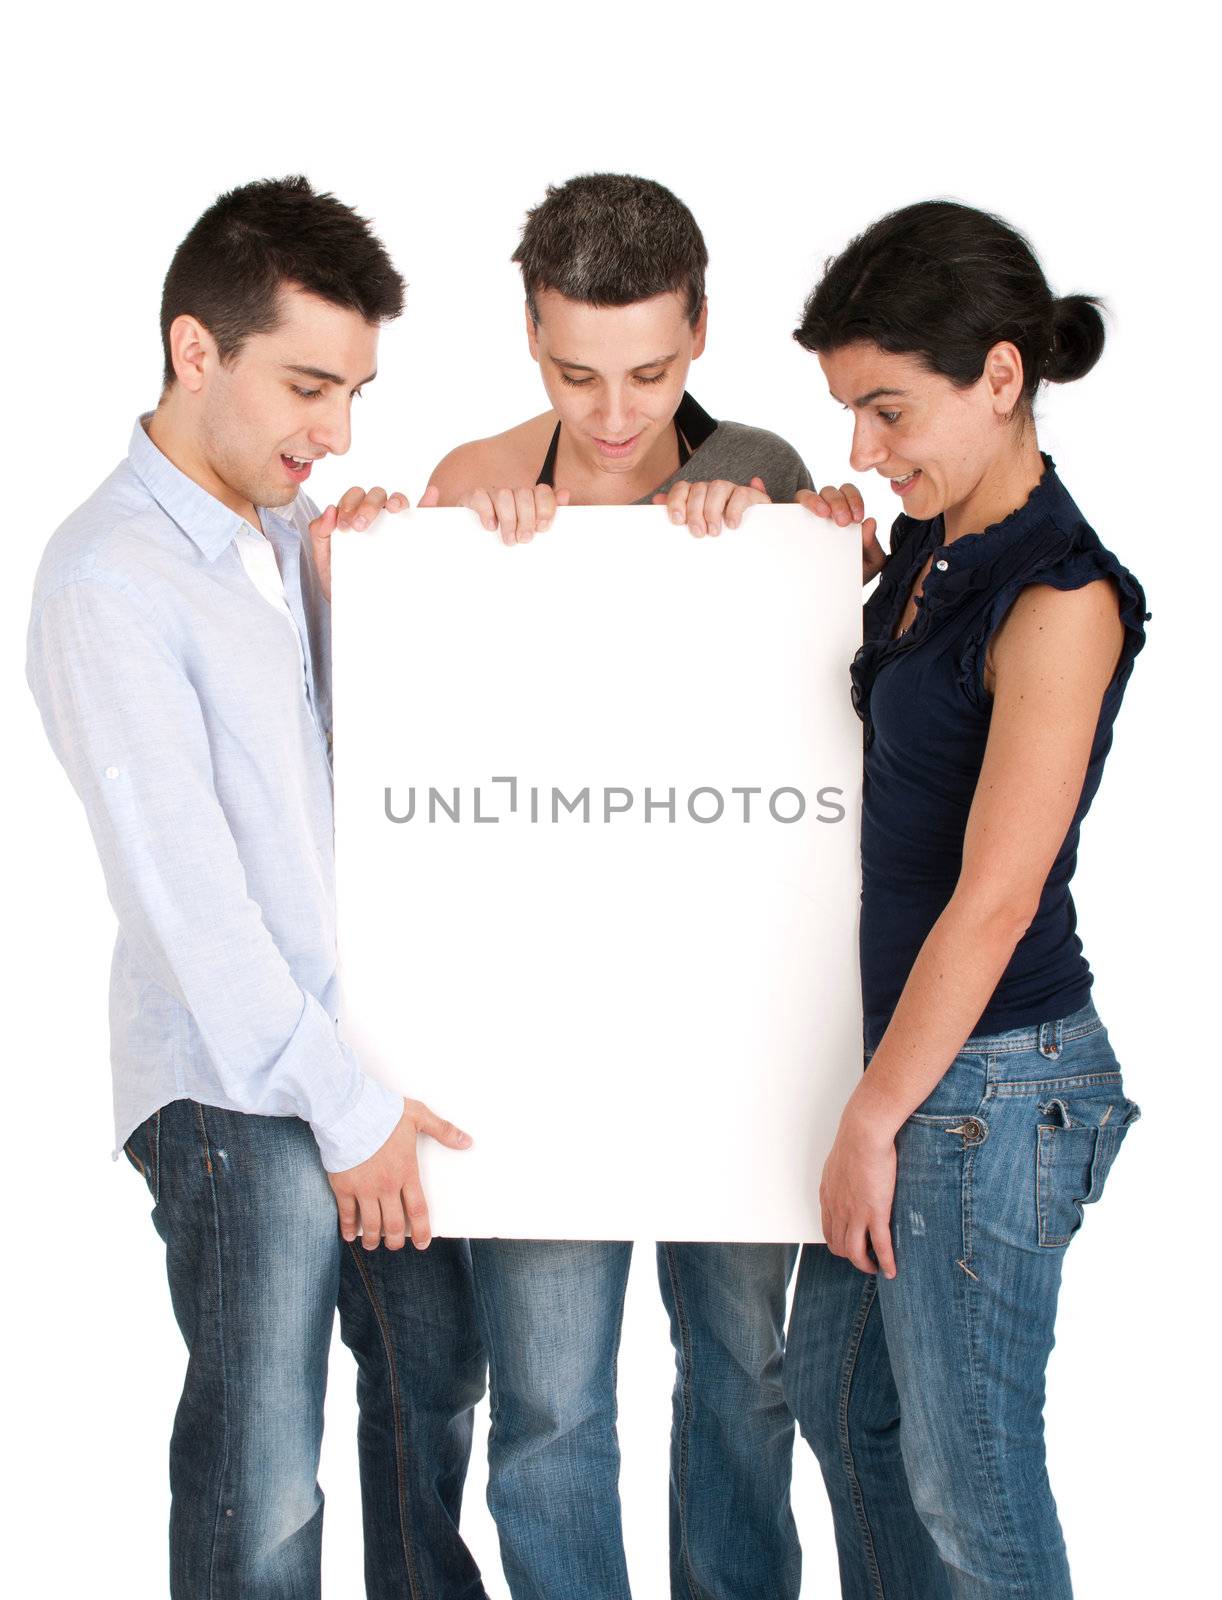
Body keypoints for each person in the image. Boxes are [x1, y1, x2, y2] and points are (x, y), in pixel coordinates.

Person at [27, 176, 488, 1600]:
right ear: (193, 350)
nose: (335, 430)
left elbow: (364, 801)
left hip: (359, 1069)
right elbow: (186, 892)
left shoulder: (293, 542)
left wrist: (374, 604)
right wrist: (345, 1113)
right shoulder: (109, 576)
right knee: (264, 1466)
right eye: (305, 384)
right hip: (236, 1092)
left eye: (352, 391)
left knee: (433, 1388)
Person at [422, 172, 852, 1600]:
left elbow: (820, 738)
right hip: (540, 1026)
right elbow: (420, 767)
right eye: (574, 373)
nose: (613, 414)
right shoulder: (471, 479)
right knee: (545, 1405)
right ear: (530, 340)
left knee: (742, 1373)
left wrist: (795, 535)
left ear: (703, 332)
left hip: (733, 1021)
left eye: (652, 372)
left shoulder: (764, 465)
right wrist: (397, 559)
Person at [782, 200, 1147, 1599]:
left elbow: (992, 900)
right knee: (835, 1396)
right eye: (848, 416)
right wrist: (824, 562)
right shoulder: (928, 565)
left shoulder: (1060, 601)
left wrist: (873, 1117)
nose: (863, 454)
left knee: (967, 1475)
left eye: (886, 412)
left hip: (993, 1081)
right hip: (922, 1065)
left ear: (1000, 378)